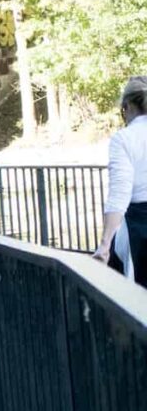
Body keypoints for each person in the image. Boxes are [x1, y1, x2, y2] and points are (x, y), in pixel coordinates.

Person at [92, 76, 147, 288]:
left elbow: (119, 194)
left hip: (140, 229)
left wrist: (104, 246)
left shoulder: (124, 138)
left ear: (126, 106)